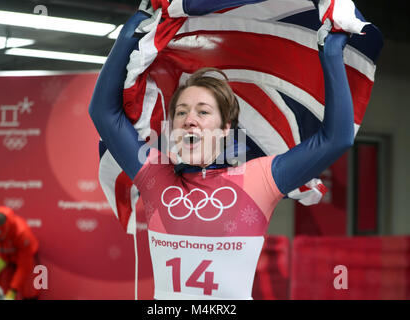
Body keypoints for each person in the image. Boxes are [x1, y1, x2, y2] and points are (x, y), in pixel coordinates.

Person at [89, 8, 356, 300]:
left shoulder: (259, 178)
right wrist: (128, 36)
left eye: (203, 112)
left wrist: (331, 57)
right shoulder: (154, 174)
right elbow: (103, 113)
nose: (189, 119)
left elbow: (336, 139)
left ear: (226, 127)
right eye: (181, 112)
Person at [0, 206, 39, 300]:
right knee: (1, 289)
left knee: (30, 292)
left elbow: (25, 265)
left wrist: (13, 291)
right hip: (4, 259)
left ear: (7, 230)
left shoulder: (22, 233)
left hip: (25, 260)